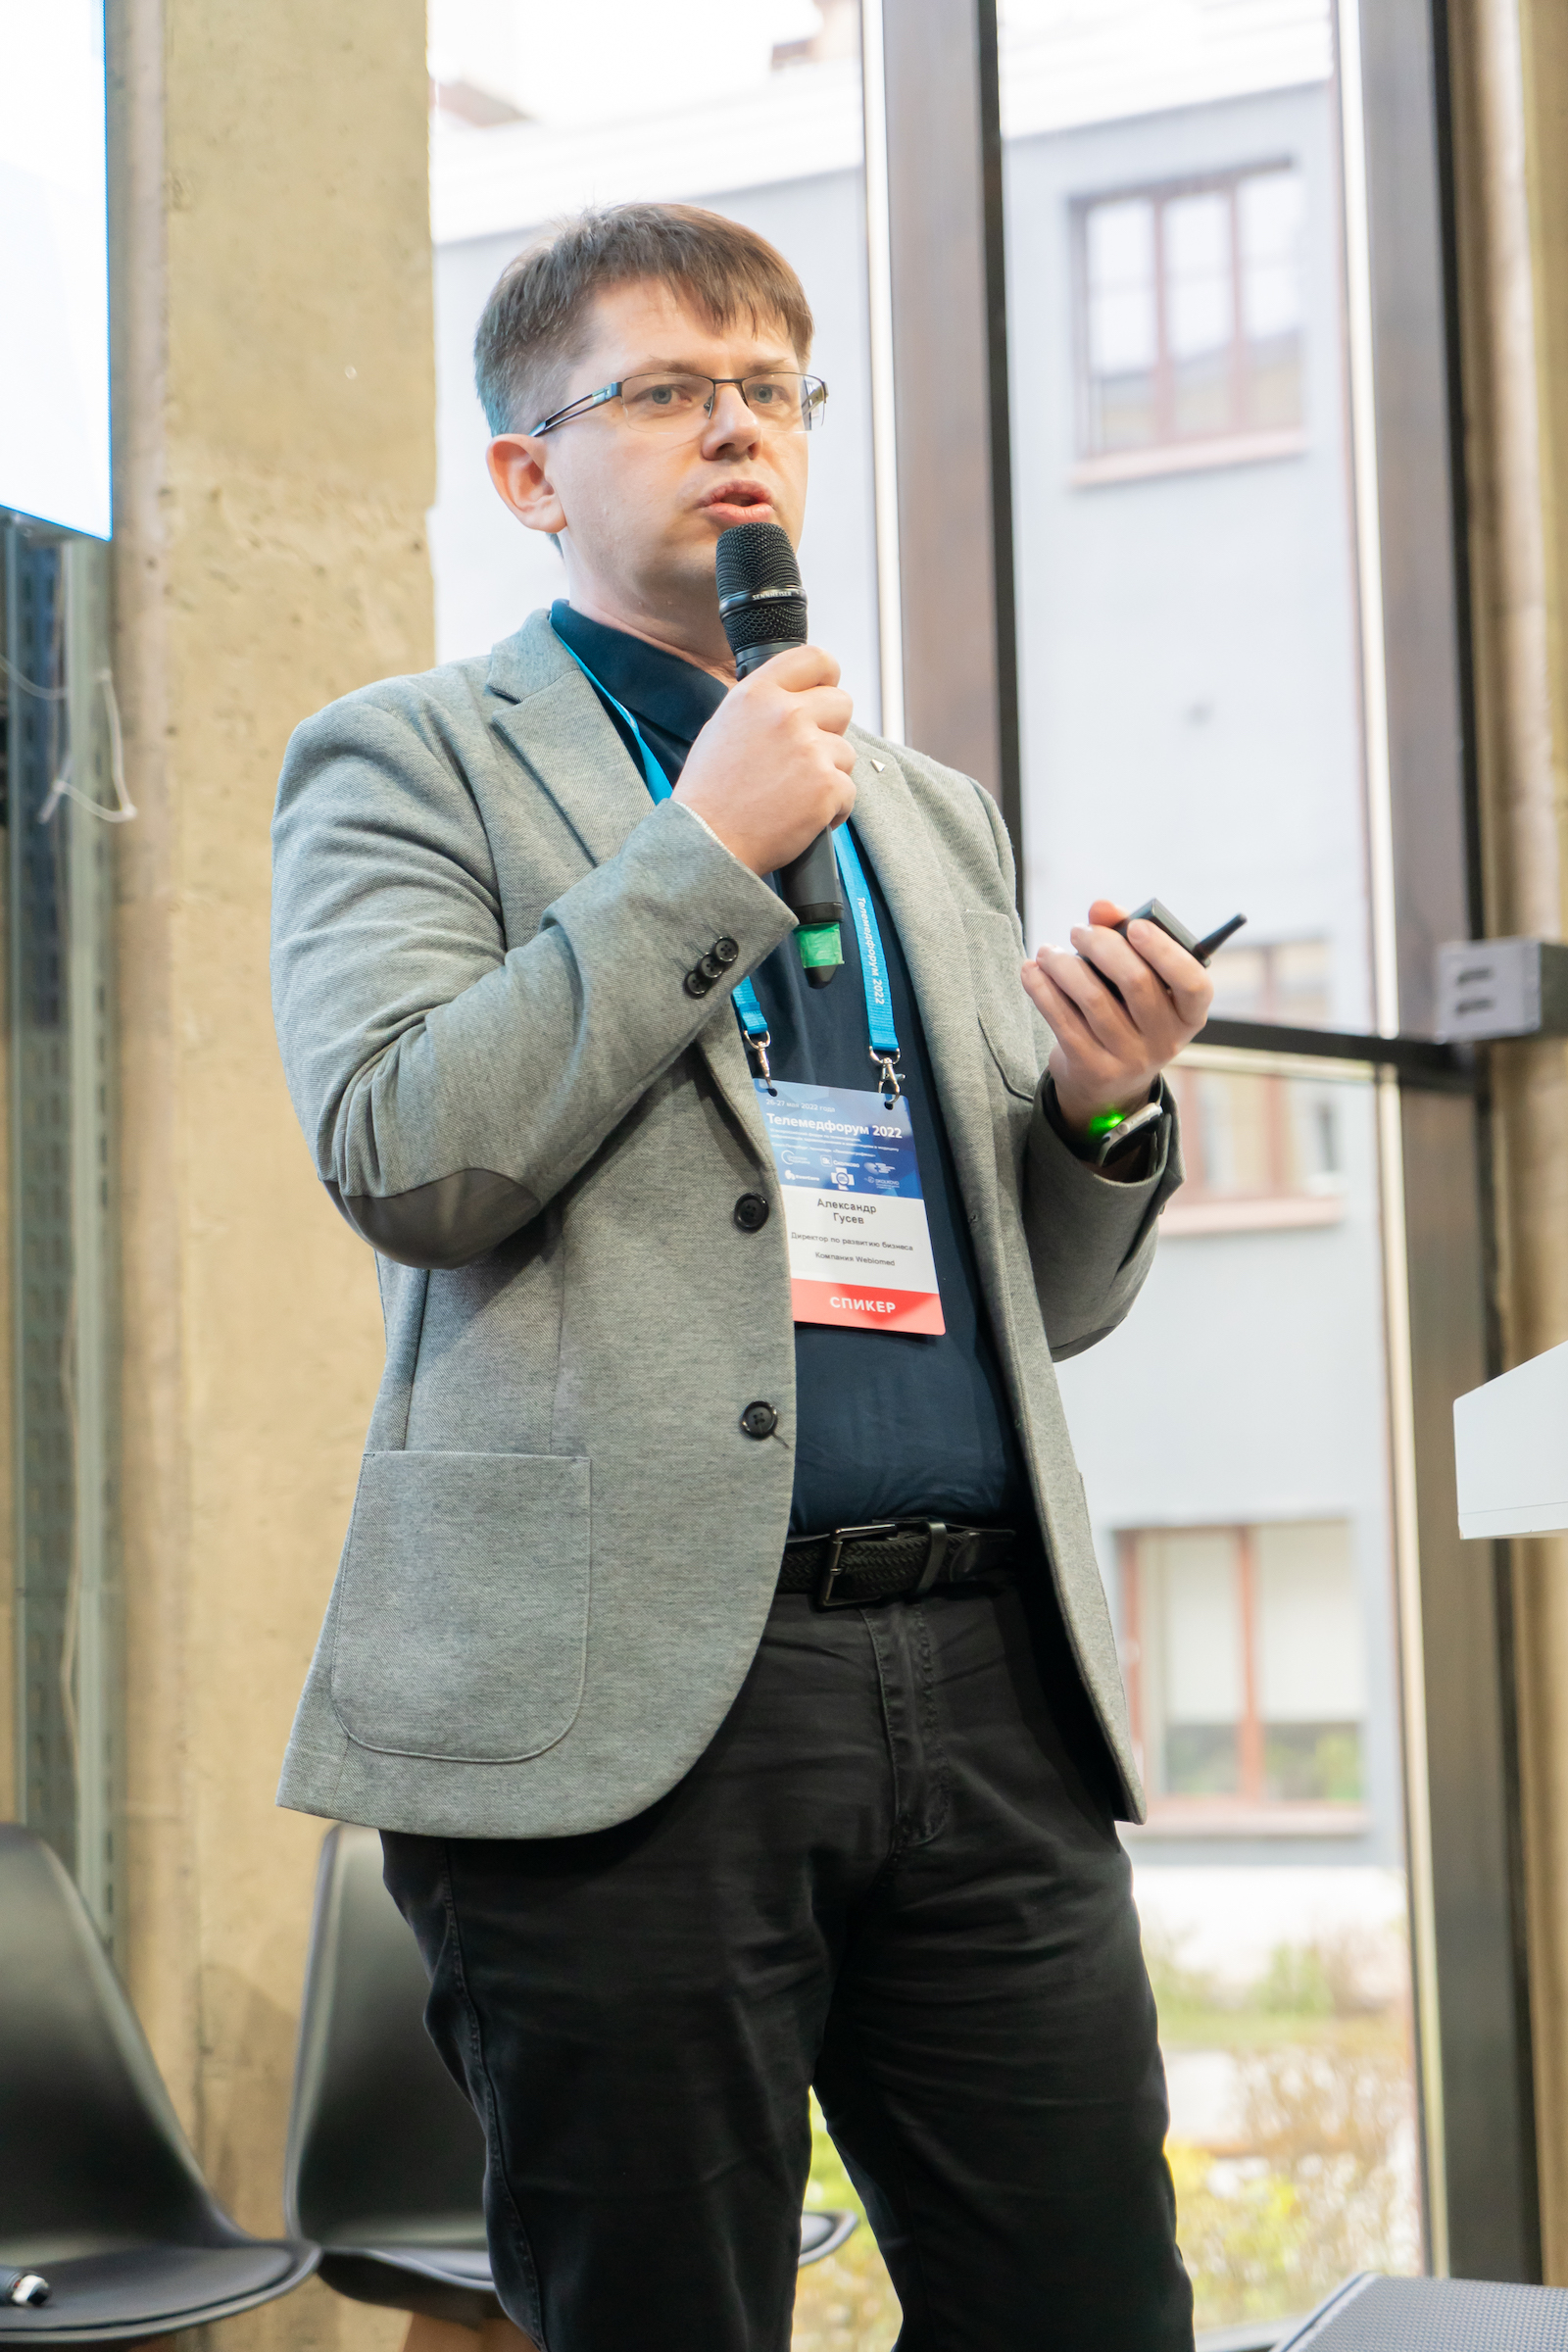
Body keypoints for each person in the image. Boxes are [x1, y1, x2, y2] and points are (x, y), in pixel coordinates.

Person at [270, 201, 1212, 2352]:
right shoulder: (407, 757)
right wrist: (697, 852)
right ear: (527, 472)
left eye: (774, 391)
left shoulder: (927, 815)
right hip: (629, 1701)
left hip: (988, 1684)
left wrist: (1099, 1110)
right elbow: (408, 1154)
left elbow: (1046, 1303)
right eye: (671, 390)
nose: (739, 432)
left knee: (1090, 2310)